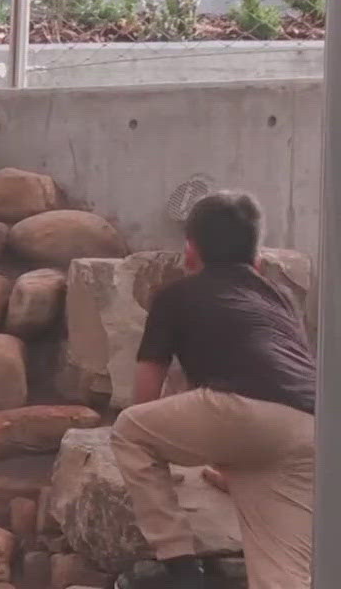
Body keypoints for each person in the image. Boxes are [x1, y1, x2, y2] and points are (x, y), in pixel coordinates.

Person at [110, 192, 315, 589]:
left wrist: (171, 448)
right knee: (282, 576)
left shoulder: (176, 296)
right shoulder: (281, 298)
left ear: (190, 251)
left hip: (242, 413)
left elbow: (147, 390)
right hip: (310, 426)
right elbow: (277, 371)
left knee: (131, 431)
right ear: (257, 260)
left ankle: (182, 570)